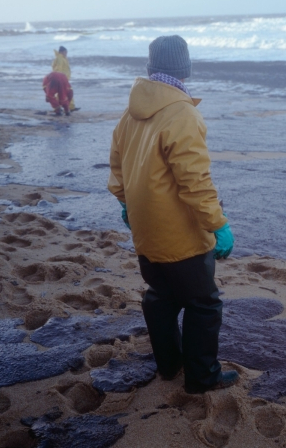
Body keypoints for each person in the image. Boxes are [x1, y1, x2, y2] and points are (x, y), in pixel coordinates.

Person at [108, 35, 238, 394]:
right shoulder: (183, 113)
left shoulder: (129, 114)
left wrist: (125, 205)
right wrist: (219, 225)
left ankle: (169, 364)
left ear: (151, 69)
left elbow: (117, 168)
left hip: (145, 232)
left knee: (160, 297)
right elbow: (194, 181)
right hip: (181, 237)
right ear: (186, 68)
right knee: (204, 304)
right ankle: (202, 376)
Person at [52, 46, 76, 111]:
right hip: (61, 79)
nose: (66, 53)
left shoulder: (63, 58)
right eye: (65, 52)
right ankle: (58, 107)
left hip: (64, 79)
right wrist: (60, 78)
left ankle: (70, 107)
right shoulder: (59, 59)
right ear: (62, 52)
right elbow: (59, 69)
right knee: (63, 92)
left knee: (67, 92)